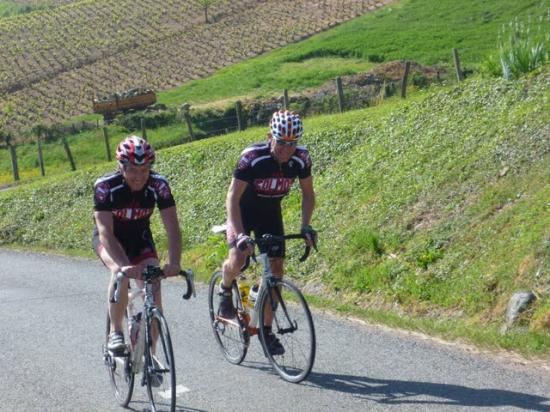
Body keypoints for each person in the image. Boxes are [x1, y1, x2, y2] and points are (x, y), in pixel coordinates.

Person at [219, 110, 317, 355]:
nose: (286, 149)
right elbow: (232, 197)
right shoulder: (252, 158)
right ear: (269, 137)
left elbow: (308, 194)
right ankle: (224, 287)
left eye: (292, 143)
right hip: (242, 211)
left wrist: (305, 226)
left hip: (270, 212)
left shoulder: (301, 159)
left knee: (276, 270)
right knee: (238, 259)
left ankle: (265, 330)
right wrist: (240, 234)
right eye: (281, 142)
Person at [92, 135, 182, 354]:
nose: (139, 176)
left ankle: (149, 354)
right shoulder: (105, 187)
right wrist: (124, 265)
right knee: (119, 273)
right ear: (121, 167)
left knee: (154, 286)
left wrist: (174, 262)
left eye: (144, 170)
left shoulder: (159, 185)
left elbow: (172, 226)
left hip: (140, 239)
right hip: (110, 240)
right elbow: (105, 231)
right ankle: (116, 332)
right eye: (132, 170)